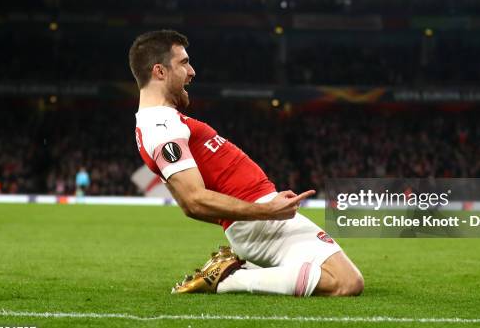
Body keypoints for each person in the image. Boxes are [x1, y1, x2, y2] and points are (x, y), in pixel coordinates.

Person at [129, 30, 363, 297]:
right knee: (347, 282)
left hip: (257, 218)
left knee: (331, 275)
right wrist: (266, 211)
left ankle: (234, 269)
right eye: (183, 63)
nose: (192, 71)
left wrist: (263, 207)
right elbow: (193, 200)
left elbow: (188, 204)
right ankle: (229, 278)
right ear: (159, 71)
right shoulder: (161, 127)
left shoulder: (158, 124)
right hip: (260, 220)